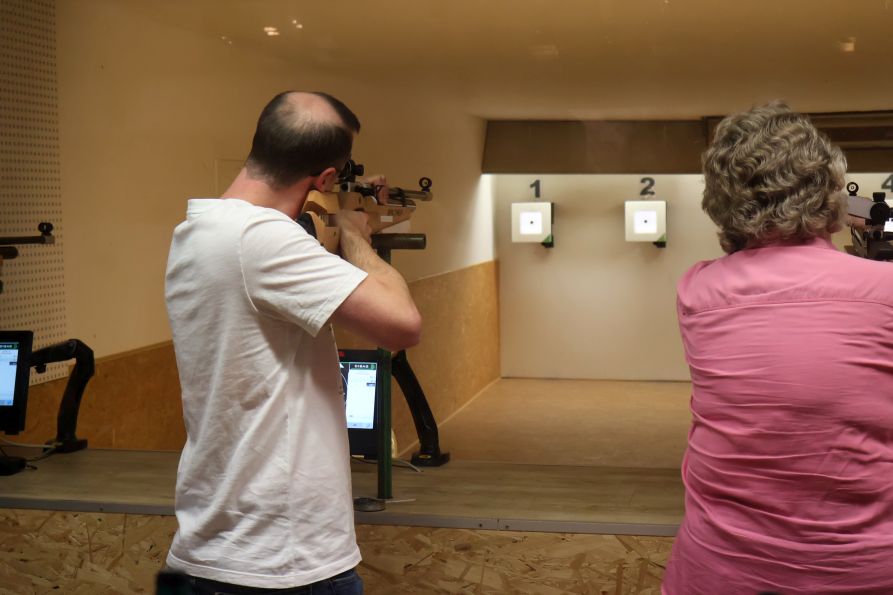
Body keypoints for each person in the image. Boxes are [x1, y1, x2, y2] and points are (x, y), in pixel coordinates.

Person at [163, 91, 421, 594]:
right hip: (280, 562)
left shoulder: (201, 230)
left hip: (222, 550)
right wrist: (354, 234)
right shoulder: (260, 240)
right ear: (324, 179)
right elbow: (403, 325)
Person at [663, 102, 893, 594]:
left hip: (720, 569)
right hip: (864, 571)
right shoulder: (884, 289)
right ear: (829, 190)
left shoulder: (696, 290)